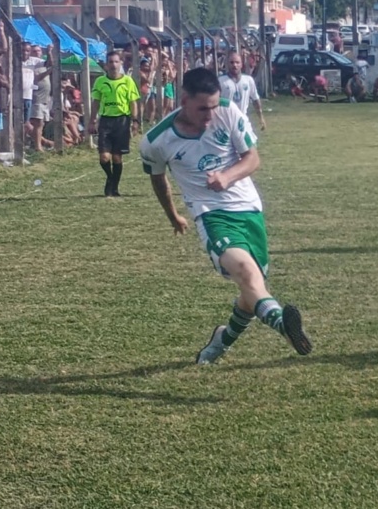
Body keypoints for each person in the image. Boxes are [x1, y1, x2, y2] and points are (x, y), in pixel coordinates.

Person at [140, 67, 312, 364]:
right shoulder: (157, 140)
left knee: (252, 289)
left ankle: (221, 340)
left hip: (249, 209)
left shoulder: (227, 111)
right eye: (202, 109)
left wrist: (227, 177)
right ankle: (284, 326)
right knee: (246, 273)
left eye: (213, 106)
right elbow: (158, 180)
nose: (209, 115)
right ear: (183, 100)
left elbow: (252, 158)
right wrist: (173, 216)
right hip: (211, 215)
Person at [89, 50, 141, 197]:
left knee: (117, 157)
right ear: (106, 65)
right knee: (104, 157)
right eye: (110, 62)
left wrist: (135, 120)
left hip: (122, 121)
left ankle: (114, 188)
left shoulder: (127, 81)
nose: (113, 65)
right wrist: (92, 120)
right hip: (105, 120)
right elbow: (96, 102)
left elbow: (133, 102)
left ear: (121, 63)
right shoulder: (100, 82)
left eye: (116, 62)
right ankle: (110, 179)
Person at [218, 51, 266, 131]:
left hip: (243, 120)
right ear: (227, 64)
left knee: (250, 143)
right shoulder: (221, 81)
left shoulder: (248, 80)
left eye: (237, 62)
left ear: (241, 64)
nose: (234, 65)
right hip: (226, 122)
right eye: (232, 62)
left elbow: (255, 99)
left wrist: (261, 118)